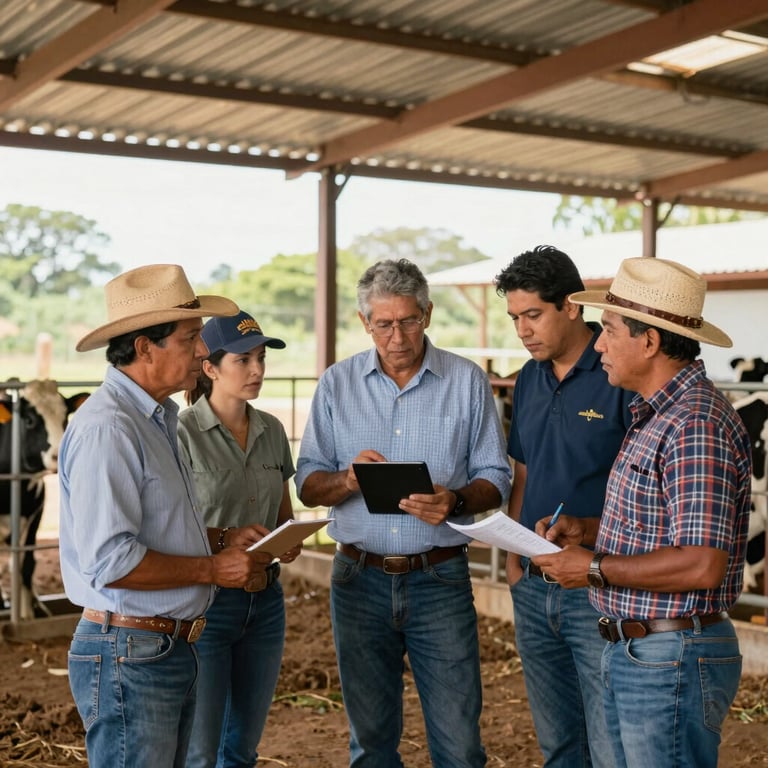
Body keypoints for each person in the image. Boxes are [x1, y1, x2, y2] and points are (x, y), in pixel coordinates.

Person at [532, 257, 753, 768]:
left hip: (669, 651)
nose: (599, 344)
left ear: (649, 341)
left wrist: (589, 568)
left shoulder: (693, 424)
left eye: (608, 330)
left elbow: (702, 564)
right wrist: (584, 532)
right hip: (644, 648)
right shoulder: (657, 415)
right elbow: (659, 527)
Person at [295, 258, 511, 768]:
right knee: (370, 742)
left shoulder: (467, 382)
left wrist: (454, 500)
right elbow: (307, 483)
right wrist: (347, 479)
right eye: (384, 324)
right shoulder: (336, 384)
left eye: (408, 321)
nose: (397, 336)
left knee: (459, 741)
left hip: (439, 576)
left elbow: (496, 478)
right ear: (364, 322)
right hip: (357, 578)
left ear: (429, 314)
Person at [58, 264, 273, 768]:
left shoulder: (154, 418)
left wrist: (221, 539)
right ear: (144, 347)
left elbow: (153, 527)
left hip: (156, 645)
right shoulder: (110, 428)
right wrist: (213, 569)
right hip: (131, 649)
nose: (203, 350)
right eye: (190, 337)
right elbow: (111, 560)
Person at [493, 245, 633, 768]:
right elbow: (523, 471)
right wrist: (513, 563)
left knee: (610, 742)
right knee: (557, 745)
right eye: (514, 318)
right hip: (535, 584)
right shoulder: (527, 378)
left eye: (533, 315)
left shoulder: (618, 369)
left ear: (572, 306)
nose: (522, 330)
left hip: (599, 585)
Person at [177, 310, 298, 768]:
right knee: (200, 748)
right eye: (243, 360)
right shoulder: (181, 433)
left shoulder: (272, 431)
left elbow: (283, 514)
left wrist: (288, 540)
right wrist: (227, 537)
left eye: (262, 359)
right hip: (208, 603)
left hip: (265, 602)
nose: (258, 371)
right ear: (209, 367)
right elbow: (170, 528)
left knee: (243, 748)